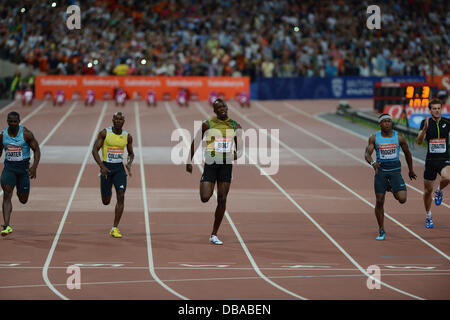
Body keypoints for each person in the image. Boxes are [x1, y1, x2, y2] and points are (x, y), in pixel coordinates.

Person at [186, 99, 242, 245]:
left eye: (224, 106)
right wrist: (189, 160)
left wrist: (236, 153)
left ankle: (214, 234)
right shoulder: (208, 124)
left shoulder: (235, 125)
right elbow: (196, 141)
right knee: (205, 197)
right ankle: (206, 182)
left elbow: (239, 146)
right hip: (211, 163)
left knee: (222, 199)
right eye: (219, 107)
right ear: (214, 111)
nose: (222, 109)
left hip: (226, 165)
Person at [365, 113, 417, 240]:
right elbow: (367, 153)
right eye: (385, 121)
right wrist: (373, 164)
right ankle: (381, 229)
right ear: (380, 124)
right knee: (379, 201)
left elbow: (407, 153)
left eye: (389, 121)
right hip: (381, 173)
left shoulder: (399, 138)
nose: (387, 123)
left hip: (395, 172)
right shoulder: (374, 138)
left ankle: (392, 188)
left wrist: (411, 170)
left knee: (402, 199)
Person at [92, 112, 134, 238]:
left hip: (119, 170)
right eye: (116, 119)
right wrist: (101, 166)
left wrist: (129, 163)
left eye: (120, 119)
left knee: (121, 196)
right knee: (106, 201)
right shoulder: (104, 133)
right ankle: (107, 191)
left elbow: (131, 153)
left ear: (123, 121)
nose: (118, 121)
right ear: (112, 120)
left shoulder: (127, 136)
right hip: (106, 168)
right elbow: (94, 150)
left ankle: (114, 228)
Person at [0, 111, 41, 236]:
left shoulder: (26, 134)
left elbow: (37, 149)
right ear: (7, 122)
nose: (12, 123)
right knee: (7, 194)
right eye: (10, 121)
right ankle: (7, 226)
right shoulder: (3, 135)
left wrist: (34, 167)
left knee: (23, 199)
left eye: (15, 121)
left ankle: (20, 189)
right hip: (9, 168)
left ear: (19, 121)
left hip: (23, 170)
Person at [417, 98, 450, 228]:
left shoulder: (447, 122)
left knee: (447, 177)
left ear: (441, 109)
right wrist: (424, 130)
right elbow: (419, 142)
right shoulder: (425, 123)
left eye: (438, 108)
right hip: (430, 161)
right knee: (427, 191)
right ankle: (428, 216)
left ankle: (439, 190)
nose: (436, 111)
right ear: (430, 110)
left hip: (444, 159)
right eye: (434, 108)